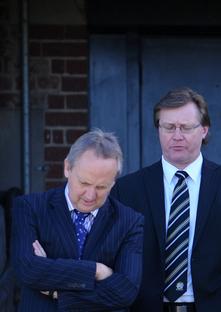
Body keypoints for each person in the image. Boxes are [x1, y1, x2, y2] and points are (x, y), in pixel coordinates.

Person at [111, 87, 221, 312]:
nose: (177, 136)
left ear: (204, 130)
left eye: (186, 127)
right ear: (158, 130)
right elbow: (114, 258)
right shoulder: (128, 189)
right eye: (169, 127)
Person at [11, 129, 144, 311]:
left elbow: (126, 291)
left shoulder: (130, 221)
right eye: (84, 183)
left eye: (101, 187)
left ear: (113, 182)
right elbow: (27, 269)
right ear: (67, 168)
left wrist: (56, 292)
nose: (90, 195)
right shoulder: (30, 208)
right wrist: (96, 270)